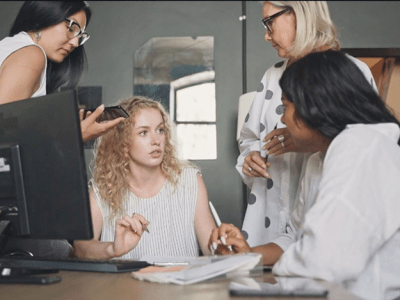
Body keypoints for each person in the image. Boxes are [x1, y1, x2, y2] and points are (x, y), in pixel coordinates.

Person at [210, 50, 400, 300]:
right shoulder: (318, 160)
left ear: (312, 107)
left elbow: (324, 260)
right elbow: (296, 238)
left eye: (286, 106)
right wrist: (248, 255)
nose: (282, 118)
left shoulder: (361, 147)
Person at [237, 1, 376, 248]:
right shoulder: (272, 75)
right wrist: (251, 158)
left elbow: (369, 150)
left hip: (332, 231)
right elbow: (249, 138)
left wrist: (309, 142)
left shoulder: (352, 71)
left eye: (269, 22)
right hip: (269, 225)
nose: (266, 35)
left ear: (298, 13)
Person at [74, 96, 216, 259]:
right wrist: (112, 249)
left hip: (180, 283)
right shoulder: (102, 188)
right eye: (143, 132)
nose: (156, 141)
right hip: (123, 285)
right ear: (123, 143)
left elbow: (211, 247)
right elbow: (81, 247)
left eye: (160, 130)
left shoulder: (190, 180)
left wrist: (224, 247)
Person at [0, 1, 124, 142]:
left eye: (80, 36)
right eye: (71, 28)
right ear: (44, 15)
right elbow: (3, 136)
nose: (75, 43)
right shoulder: (31, 54)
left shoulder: (12, 46)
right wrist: (75, 136)